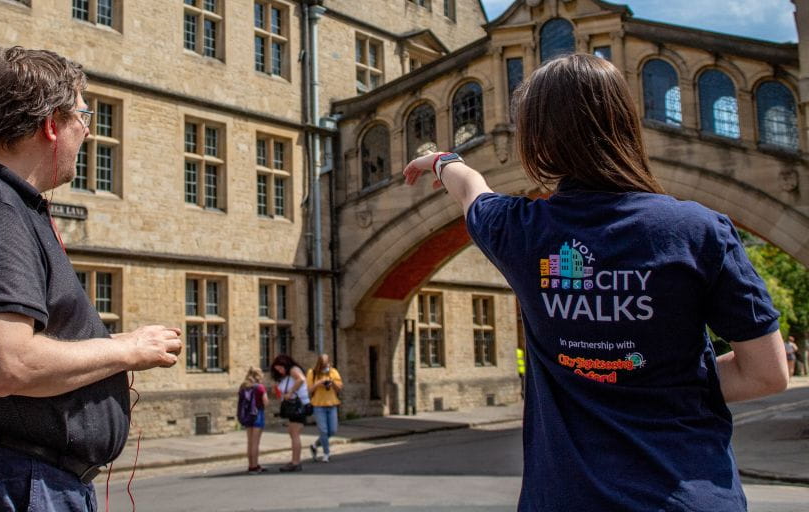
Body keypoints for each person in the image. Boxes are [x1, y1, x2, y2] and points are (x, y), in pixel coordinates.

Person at [403, 53, 790, 511]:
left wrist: (442, 159)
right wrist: (656, 378)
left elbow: (470, 187)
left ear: (538, 143)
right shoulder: (700, 230)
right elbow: (767, 374)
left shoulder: (518, 231)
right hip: (689, 496)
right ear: (625, 125)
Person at [0, 47, 183, 511]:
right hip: (7, 478)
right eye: (83, 114)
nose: (89, 130)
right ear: (52, 125)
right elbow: (8, 365)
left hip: (12, 475)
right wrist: (129, 349)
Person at [270, 354, 310, 472]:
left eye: (281, 368)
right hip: (294, 406)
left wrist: (290, 391)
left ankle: (296, 462)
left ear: (285, 364)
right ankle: (294, 460)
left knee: (295, 433)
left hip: (299, 405)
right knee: (292, 433)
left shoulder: (293, 369)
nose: (280, 371)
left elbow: (301, 380)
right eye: (278, 370)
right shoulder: (287, 375)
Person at [306, 354, 343, 462]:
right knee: (323, 431)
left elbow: (340, 387)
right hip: (318, 405)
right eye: (323, 365)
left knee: (332, 431)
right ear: (319, 364)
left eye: (327, 364)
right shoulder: (312, 373)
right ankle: (326, 453)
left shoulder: (333, 372)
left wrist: (332, 383)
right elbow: (309, 390)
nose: (325, 367)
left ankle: (315, 444)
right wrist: (318, 383)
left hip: (332, 404)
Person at [238, 367, 269, 473]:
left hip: (247, 415)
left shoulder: (244, 386)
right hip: (257, 414)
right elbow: (266, 402)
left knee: (250, 442)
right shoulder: (260, 388)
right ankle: (255, 466)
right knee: (256, 443)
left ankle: (251, 465)